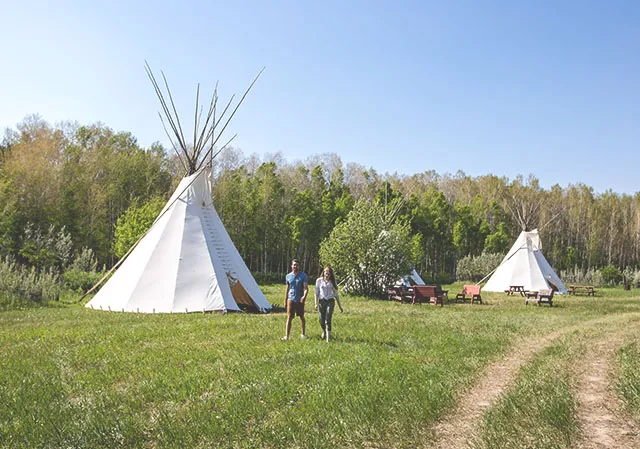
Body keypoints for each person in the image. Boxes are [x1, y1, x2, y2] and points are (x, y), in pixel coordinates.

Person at [314, 265, 343, 342]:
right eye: (326, 272)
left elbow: (336, 294)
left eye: (329, 272)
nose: (327, 274)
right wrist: (316, 303)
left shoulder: (332, 282)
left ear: (330, 274)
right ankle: (324, 331)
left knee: (328, 319)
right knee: (321, 320)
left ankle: (328, 339)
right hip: (321, 301)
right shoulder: (319, 281)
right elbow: (316, 293)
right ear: (323, 272)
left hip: (330, 301)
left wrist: (340, 306)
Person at [282, 259, 308, 341]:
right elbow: (287, 288)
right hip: (291, 299)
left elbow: (306, 288)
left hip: (299, 299)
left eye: (297, 265)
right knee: (289, 317)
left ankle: (303, 334)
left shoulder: (303, 276)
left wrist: (304, 296)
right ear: (291, 266)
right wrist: (285, 300)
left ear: (299, 266)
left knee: (301, 317)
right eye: (294, 265)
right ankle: (287, 336)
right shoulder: (288, 276)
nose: (295, 266)